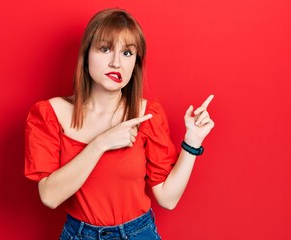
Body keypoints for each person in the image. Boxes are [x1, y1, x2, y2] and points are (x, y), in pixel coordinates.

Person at [24, 8, 214, 240]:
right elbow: (49, 197)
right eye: (105, 49)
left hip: (138, 233)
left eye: (127, 53)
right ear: (86, 54)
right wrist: (100, 143)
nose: (116, 62)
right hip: (79, 235)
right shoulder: (50, 113)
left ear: (136, 62)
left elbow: (168, 198)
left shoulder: (146, 114)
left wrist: (192, 142)